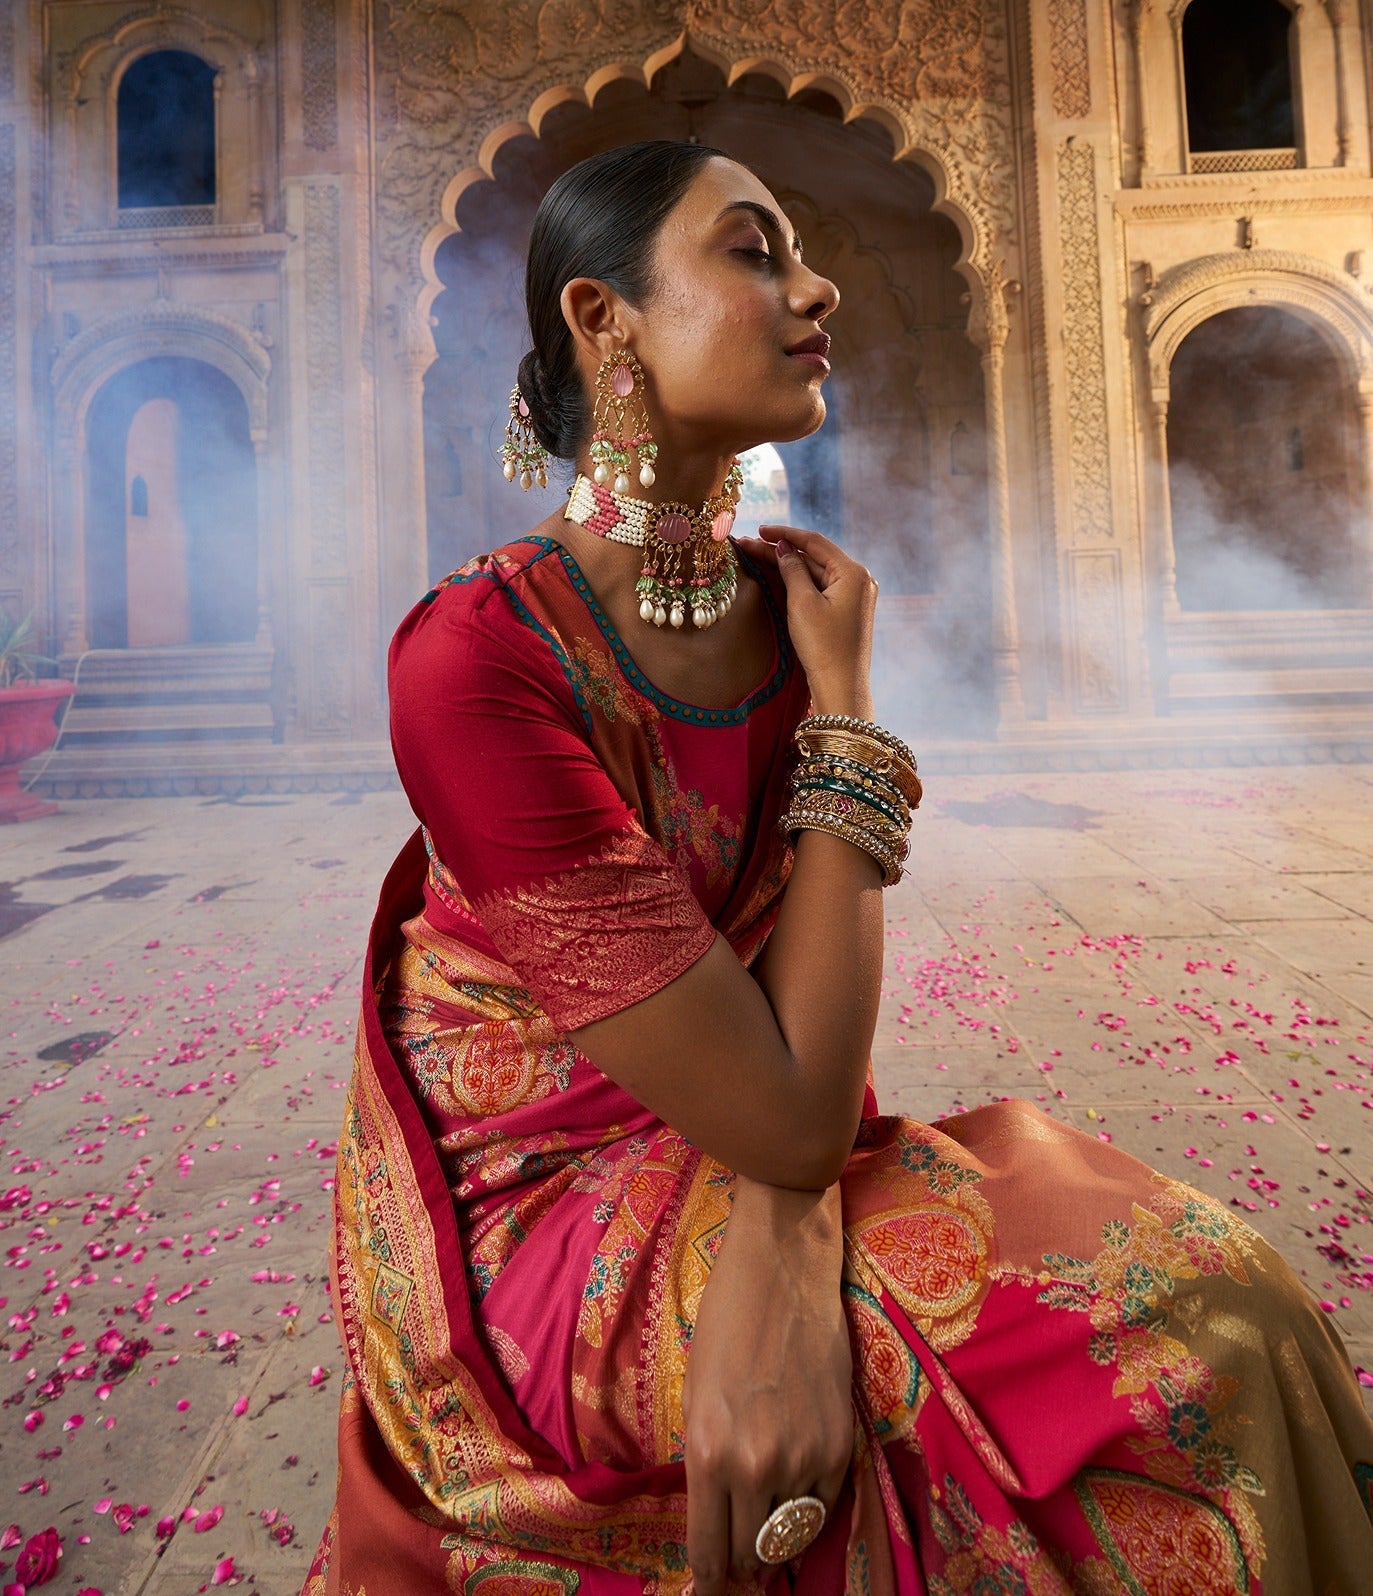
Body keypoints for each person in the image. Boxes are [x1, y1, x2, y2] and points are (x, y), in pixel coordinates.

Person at [304, 140, 1373, 1596]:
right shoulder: (478, 661)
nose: (814, 288)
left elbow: (800, 1086)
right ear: (599, 321)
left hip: (748, 1132)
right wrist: (852, 720)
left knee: (1222, 1297)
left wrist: (780, 1234)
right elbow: (799, 1111)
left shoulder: (786, 613)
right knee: (1180, 1324)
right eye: (750, 252)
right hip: (546, 1214)